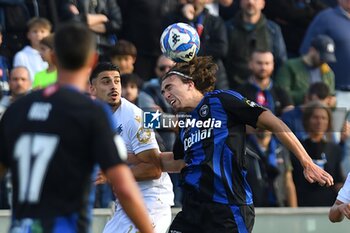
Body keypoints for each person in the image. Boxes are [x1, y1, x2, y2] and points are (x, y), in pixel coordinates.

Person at [0, 22, 154, 233]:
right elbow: (124, 186)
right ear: (92, 60)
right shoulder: (91, 112)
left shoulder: (16, 110)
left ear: (53, 58)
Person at [160, 56, 333, 233]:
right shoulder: (185, 124)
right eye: (163, 92)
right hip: (193, 210)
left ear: (189, 84)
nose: (166, 95)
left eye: (169, 87)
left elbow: (275, 123)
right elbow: (179, 161)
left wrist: (307, 162)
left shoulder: (222, 100)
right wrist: (136, 160)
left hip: (227, 208)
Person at [89, 62, 174, 233]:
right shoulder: (95, 118)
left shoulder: (133, 117)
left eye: (117, 81)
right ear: (92, 89)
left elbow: (154, 168)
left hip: (151, 199)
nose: (114, 86)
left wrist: (110, 176)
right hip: (126, 200)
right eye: (106, 81)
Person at [291, 101, 344, 206]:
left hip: (327, 208)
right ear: (307, 120)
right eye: (315, 117)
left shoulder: (334, 149)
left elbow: (338, 182)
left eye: (324, 118)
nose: (319, 121)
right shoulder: (296, 148)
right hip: (301, 206)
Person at [225, 0, 287, 89]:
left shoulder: (273, 30)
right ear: (240, 2)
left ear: (263, 3)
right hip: (234, 88)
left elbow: (281, 62)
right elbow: (223, 63)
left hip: (265, 89)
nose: (251, 2)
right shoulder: (228, 28)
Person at [275, 34, 336, 105]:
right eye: (322, 57)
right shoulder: (290, 66)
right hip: (296, 110)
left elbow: (332, 95)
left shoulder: (328, 72)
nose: (325, 61)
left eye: (327, 58)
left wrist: (332, 102)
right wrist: (308, 96)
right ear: (312, 50)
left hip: (320, 113)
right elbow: (281, 92)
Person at [237, 49, 293, 117]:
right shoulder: (239, 93)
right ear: (250, 64)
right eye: (259, 63)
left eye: (267, 63)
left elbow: (290, 117)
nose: (263, 67)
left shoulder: (281, 92)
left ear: (273, 65)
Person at [13, 17, 51, 81]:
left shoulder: (53, 54)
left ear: (49, 34)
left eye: (42, 31)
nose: (38, 35)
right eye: (35, 31)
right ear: (28, 35)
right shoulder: (21, 56)